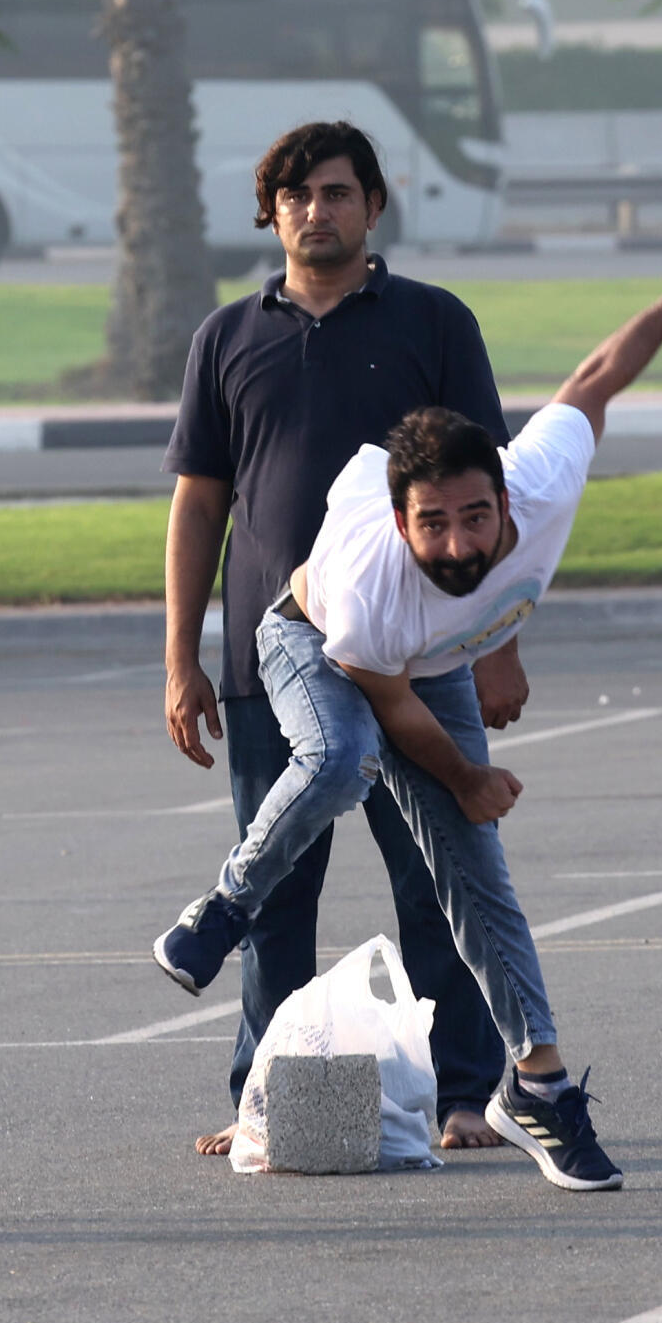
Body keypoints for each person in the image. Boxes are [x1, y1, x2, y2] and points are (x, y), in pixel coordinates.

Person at [154, 243, 662, 1192]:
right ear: (399, 521)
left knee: (477, 876)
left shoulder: (541, 483)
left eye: (475, 517)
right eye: (434, 525)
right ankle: (225, 903)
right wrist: (468, 779)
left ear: (506, 495)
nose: (460, 543)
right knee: (340, 759)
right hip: (314, 642)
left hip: (436, 666)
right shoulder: (371, 577)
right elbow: (388, 711)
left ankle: (537, 1089)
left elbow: (597, 379)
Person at [162, 120, 530, 1160]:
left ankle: (466, 1093)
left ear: (373, 205)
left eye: (334, 192)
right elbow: (198, 506)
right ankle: (264, 1103)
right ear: (269, 212)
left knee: (440, 879)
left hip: (422, 651)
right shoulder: (227, 338)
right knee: (276, 887)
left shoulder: (432, 321)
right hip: (269, 660)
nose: (313, 211)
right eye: (294, 195)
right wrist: (179, 656)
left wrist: (498, 642)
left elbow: (489, 497)